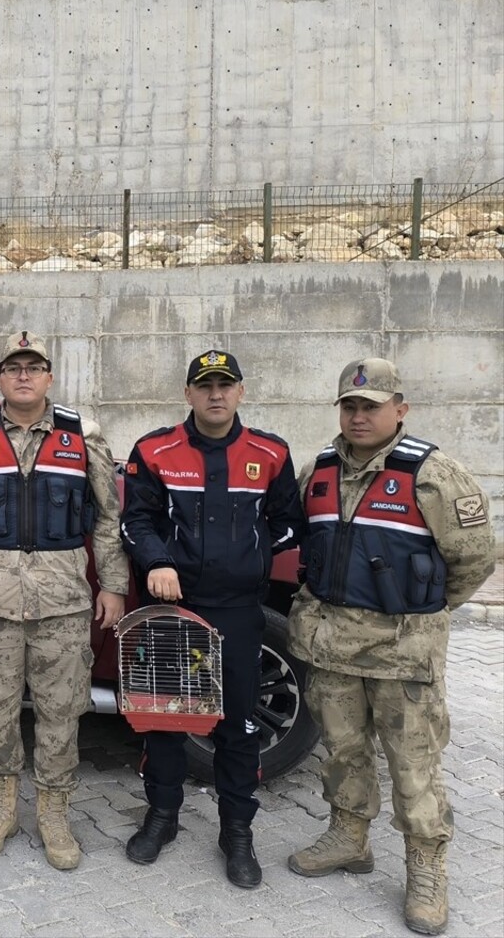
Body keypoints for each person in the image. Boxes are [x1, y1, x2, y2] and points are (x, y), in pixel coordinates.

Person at [286, 358, 495, 935]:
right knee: (343, 751)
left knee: (413, 763)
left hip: (402, 650)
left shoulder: (433, 475)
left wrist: (424, 611)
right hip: (332, 648)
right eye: (349, 406)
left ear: (399, 410)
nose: (358, 416)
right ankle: (350, 838)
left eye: (371, 406)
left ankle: (426, 868)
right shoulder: (319, 471)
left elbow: (474, 558)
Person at [0, 331, 128, 871]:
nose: (23, 375)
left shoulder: (82, 435)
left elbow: (108, 518)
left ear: (48, 376)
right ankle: (0, 808)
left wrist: (112, 584)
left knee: (61, 714)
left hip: (62, 602)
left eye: (33, 367)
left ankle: (54, 812)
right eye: (13, 367)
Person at [118, 349, 305, 888]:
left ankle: (237, 832)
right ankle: (162, 817)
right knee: (167, 719)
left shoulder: (270, 453)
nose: (215, 394)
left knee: (239, 726)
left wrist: (249, 559)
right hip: (173, 610)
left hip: (241, 612)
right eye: (205, 386)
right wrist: (157, 561)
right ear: (188, 394)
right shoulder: (155, 450)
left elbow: (288, 524)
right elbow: (136, 521)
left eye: (226, 385)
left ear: (241, 392)